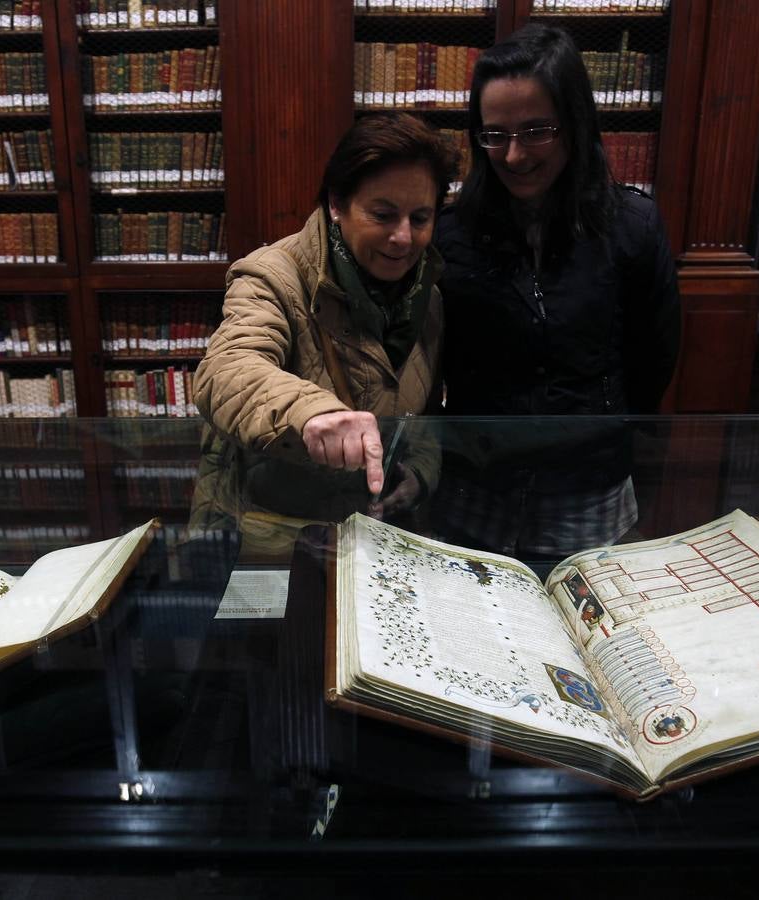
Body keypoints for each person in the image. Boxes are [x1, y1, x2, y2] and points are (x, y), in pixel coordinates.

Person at [431, 23, 681, 558]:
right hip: (477, 484)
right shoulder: (451, 233)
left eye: (537, 130)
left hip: (586, 486)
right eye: (495, 135)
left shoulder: (632, 223)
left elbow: (653, 354)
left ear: (574, 122)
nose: (515, 156)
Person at [190, 112, 455, 543]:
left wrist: (421, 473)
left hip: (368, 539)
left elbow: (422, 414)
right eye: (383, 214)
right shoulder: (273, 275)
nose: (404, 238)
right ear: (337, 204)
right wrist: (313, 412)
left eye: (420, 218)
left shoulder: (429, 297)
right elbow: (227, 370)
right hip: (269, 531)